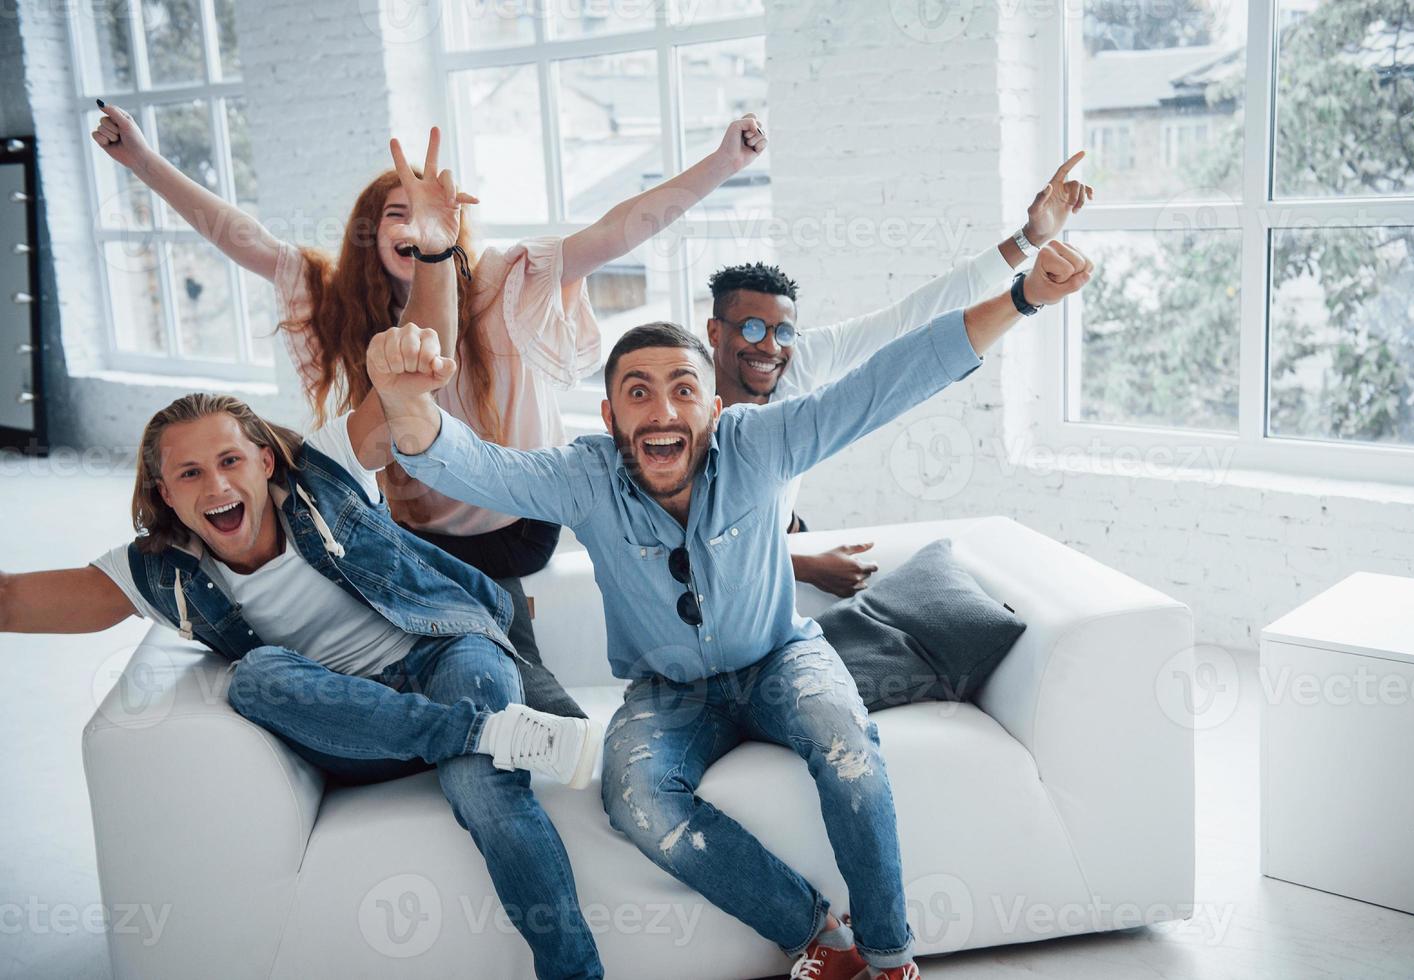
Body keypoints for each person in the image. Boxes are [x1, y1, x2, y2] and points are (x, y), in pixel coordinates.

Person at [364, 206, 1096, 978]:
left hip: (783, 660)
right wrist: (407, 405)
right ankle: (819, 936)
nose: (663, 411)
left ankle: (888, 958)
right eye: (638, 395)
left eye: (683, 390)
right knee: (636, 800)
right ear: (610, 417)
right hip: (668, 692)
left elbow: (889, 381)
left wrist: (1023, 299)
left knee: (849, 749)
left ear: (712, 409)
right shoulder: (584, 475)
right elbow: (474, 466)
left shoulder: (762, 442)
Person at [91, 105, 770, 712]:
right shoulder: (337, 303)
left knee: (482, 619)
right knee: (372, 599)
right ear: (371, 235)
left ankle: (538, 709)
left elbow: (615, 232)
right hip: (407, 521)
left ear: (451, 227)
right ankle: (399, 714)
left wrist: (723, 163)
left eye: (425, 216)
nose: (412, 225)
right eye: (395, 215)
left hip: (513, 519)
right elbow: (242, 239)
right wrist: (141, 160)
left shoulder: (504, 280)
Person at [0, 386, 608, 979]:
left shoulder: (326, 470)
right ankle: (490, 731)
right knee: (256, 678)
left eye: (230, 460)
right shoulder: (157, 571)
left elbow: (395, 394)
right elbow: (12, 602)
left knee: (482, 785)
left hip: (445, 650)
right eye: (188, 474)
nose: (216, 487)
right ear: (165, 492)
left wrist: (405, 362)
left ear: (265, 461)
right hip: (360, 727)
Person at [703, 152, 1094, 597]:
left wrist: (1029, 239)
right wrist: (803, 566)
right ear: (715, 331)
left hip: (777, 541)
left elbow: (916, 315)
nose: (770, 347)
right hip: (737, 578)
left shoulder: (799, 357)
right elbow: (681, 536)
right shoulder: (680, 400)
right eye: (752, 329)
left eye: (783, 331)